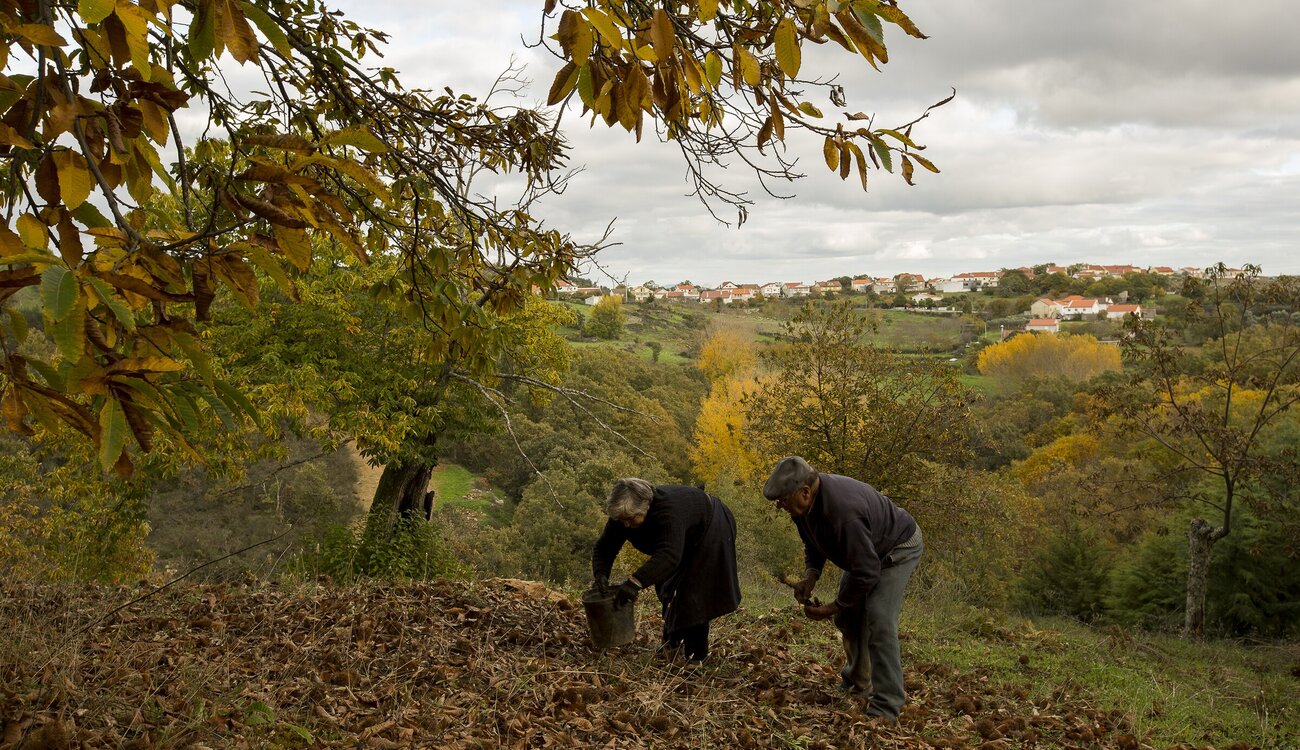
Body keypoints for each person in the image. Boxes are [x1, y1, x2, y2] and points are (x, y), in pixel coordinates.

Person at [763, 456, 924, 721]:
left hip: (898, 548)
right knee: (848, 617)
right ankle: (857, 682)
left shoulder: (842, 513)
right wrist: (810, 576)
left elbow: (867, 571)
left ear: (804, 492)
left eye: (782, 501)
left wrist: (832, 606)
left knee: (879, 618)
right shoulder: (803, 506)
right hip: (864, 552)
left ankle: (887, 705)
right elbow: (813, 542)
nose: (780, 507)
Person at [591, 478, 741, 662]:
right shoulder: (622, 517)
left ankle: (696, 657)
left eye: (631, 519)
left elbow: (669, 555)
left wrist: (634, 582)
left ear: (646, 505)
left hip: (712, 528)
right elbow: (604, 547)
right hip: (682, 539)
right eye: (622, 520)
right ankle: (672, 641)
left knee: (694, 596)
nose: (626, 525)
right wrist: (600, 575)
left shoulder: (669, 512)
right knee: (668, 588)